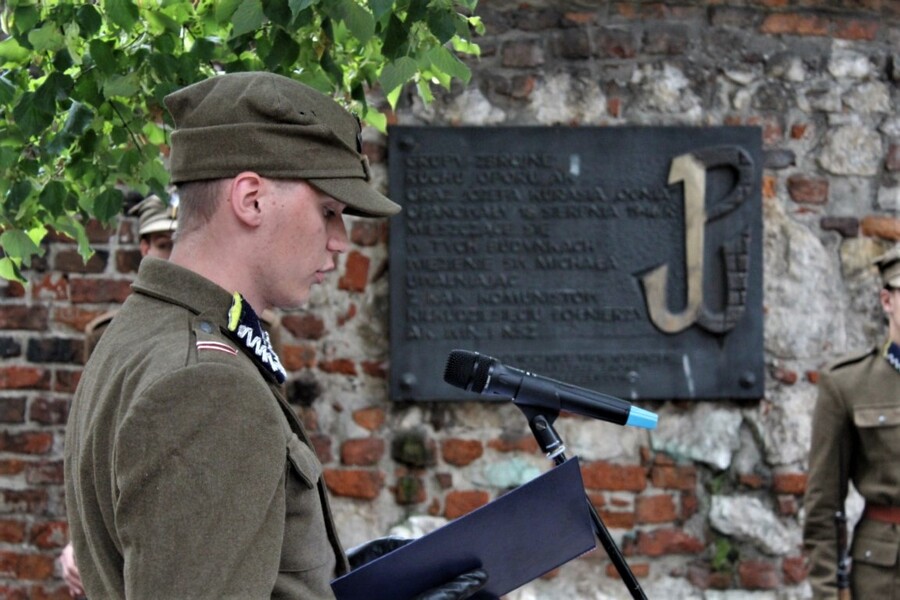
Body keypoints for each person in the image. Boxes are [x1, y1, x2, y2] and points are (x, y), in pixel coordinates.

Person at [63, 72, 489, 599]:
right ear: (252, 199)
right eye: (329, 211)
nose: (340, 242)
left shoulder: (141, 333)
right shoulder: (207, 386)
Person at [804, 244, 900, 599]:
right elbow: (823, 505)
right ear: (887, 300)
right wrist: (829, 593)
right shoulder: (848, 383)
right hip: (885, 576)